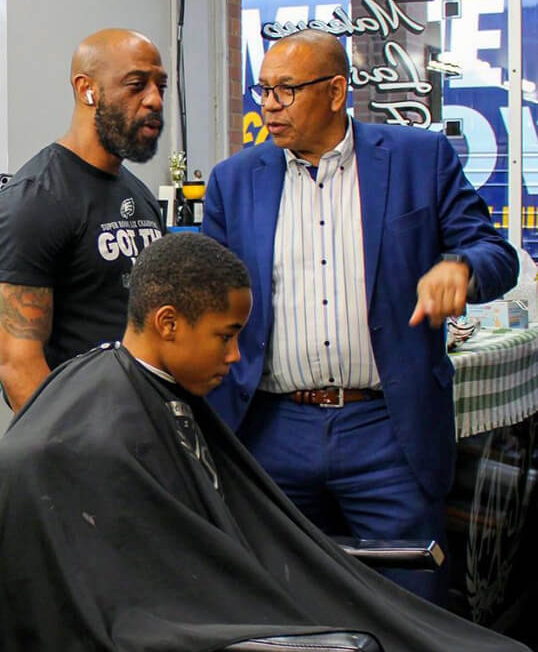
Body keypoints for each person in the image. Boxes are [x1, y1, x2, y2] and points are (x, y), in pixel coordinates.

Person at [0, 233, 538, 652]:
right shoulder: (81, 443)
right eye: (226, 335)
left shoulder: (149, 392)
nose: (236, 357)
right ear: (169, 323)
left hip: (238, 615)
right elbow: (133, 609)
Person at [200, 30, 519, 604]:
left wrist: (463, 271)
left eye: (286, 90)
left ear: (336, 90)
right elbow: (212, 299)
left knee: (409, 605)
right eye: (263, 89)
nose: (268, 104)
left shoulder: (419, 160)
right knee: (284, 604)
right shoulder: (233, 181)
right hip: (271, 431)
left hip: (387, 430)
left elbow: (498, 255)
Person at [0, 27, 167, 413]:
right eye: (136, 85)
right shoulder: (33, 201)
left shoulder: (140, 195)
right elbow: (16, 364)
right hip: (81, 443)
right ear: (87, 89)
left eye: (160, 86)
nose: (154, 100)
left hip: (144, 427)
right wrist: (72, 459)